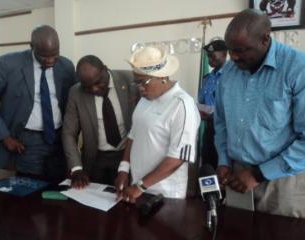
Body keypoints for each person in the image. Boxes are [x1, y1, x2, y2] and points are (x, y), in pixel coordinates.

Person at [215, 9, 305, 218]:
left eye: (241, 50)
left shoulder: (298, 68)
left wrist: (259, 173)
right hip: (236, 175)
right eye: (229, 50)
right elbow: (221, 122)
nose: (233, 57)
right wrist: (223, 161)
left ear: (265, 40)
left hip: (283, 180)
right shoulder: (229, 71)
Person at [0, 25, 76, 181]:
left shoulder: (66, 66)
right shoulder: (8, 64)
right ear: (32, 47)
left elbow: (73, 102)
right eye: (44, 56)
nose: (50, 61)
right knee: (27, 192)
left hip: (58, 140)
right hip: (25, 141)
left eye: (54, 55)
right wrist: (4, 136)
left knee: (57, 190)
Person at [115, 46, 200, 202]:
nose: (139, 88)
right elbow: (133, 136)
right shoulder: (145, 100)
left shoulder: (182, 105)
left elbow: (177, 158)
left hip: (165, 193)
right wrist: (124, 169)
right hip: (138, 187)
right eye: (136, 83)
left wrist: (140, 187)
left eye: (143, 82)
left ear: (162, 76)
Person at [62, 55, 138, 188]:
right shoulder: (76, 92)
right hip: (96, 158)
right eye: (87, 87)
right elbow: (69, 133)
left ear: (105, 69)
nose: (94, 89)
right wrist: (76, 168)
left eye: (98, 82)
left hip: (127, 155)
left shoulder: (130, 81)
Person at [198, 39, 227, 170]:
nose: (209, 59)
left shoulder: (232, 76)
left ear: (224, 54)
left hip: (226, 130)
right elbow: (202, 101)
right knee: (207, 163)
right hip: (209, 129)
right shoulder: (207, 78)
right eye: (208, 56)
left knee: (222, 165)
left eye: (213, 55)